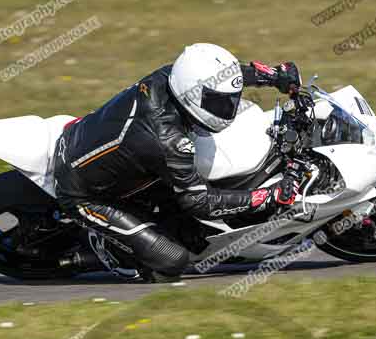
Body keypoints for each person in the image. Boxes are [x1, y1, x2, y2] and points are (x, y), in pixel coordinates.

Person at [54, 43, 302, 281]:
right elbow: (200, 202)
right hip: (82, 192)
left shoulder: (172, 77)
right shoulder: (168, 140)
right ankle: (103, 246)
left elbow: (222, 76)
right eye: (219, 103)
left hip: (107, 153)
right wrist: (268, 196)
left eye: (230, 100)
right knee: (171, 262)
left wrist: (274, 76)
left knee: (189, 229)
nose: (228, 108)